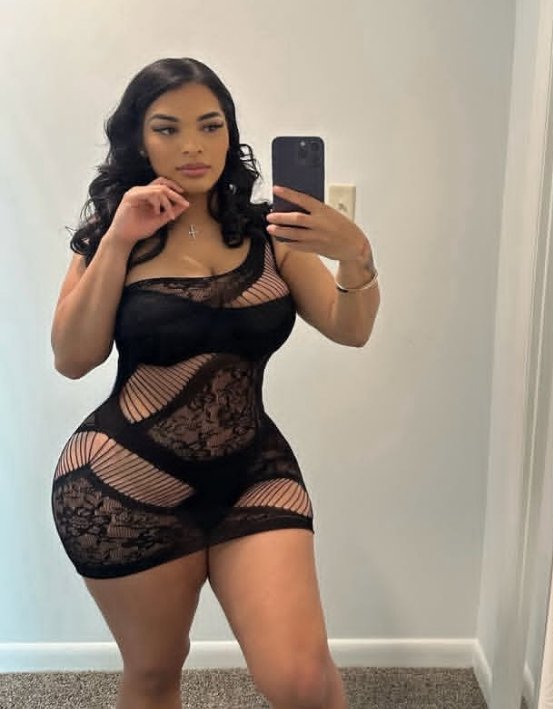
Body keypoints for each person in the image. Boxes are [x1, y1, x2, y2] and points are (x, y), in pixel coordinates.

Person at [49, 57, 380, 709]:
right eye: (167, 128)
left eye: (210, 125)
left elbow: (351, 329)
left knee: (302, 680)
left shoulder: (270, 234)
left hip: (253, 472)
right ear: (139, 139)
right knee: (155, 673)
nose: (192, 146)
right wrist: (117, 241)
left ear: (230, 133)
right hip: (126, 484)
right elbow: (73, 357)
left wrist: (356, 255)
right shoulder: (110, 237)